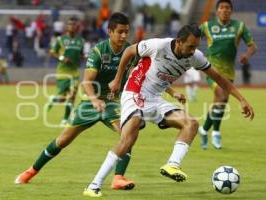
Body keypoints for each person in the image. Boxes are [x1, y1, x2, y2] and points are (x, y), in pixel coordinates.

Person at [83, 24, 254, 197]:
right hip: (135, 92)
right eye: (190, 46)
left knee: (191, 123)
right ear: (179, 42)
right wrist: (118, 79)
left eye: (196, 46)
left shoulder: (195, 57)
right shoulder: (158, 45)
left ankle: (172, 164)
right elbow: (128, 52)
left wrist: (242, 100)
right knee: (128, 138)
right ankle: (93, 185)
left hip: (156, 99)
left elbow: (219, 78)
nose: (193, 51)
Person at [15, 12, 136, 192]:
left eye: (127, 32)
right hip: (90, 102)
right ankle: (31, 171)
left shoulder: (131, 51)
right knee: (63, 140)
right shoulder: (99, 51)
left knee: (128, 135)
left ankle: (118, 177)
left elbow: (142, 74)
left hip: (112, 103)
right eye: (120, 32)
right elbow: (86, 82)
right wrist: (94, 100)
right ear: (109, 31)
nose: (124, 36)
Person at [198, 0, 257, 149]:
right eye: (222, 8)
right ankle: (215, 133)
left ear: (231, 11)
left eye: (227, 8)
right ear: (217, 11)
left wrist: (247, 55)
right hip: (212, 70)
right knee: (221, 97)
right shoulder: (207, 26)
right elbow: (192, 36)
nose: (224, 10)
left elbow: (252, 46)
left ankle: (205, 130)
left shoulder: (239, 26)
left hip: (229, 73)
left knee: (221, 103)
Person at [47, 17, 85, 125]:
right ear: (67, 27)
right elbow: (52, 52)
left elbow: (81, 54)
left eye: (74, 25)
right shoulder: (60, 39)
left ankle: (65, 119)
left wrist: (84, 57)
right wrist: (62, 58)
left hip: (74, 72)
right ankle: (53, 99)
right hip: (62, 72)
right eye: (70, 24)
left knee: (72, 95)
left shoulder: (81, 40)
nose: (72, 26)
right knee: (62, 99)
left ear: (77, 27)